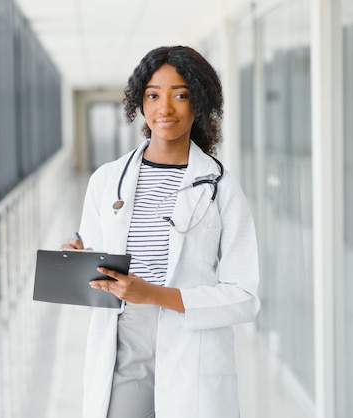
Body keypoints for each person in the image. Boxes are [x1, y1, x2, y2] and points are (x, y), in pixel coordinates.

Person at [62, 46, 260, 418]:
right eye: (153, 95)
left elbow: (244, 296)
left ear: (199, 104)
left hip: (191, 338)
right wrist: (77, 258)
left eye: (180, 95)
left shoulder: (221, 187)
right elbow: (94, 266)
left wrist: (152, 294)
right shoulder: (107, 181)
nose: (164, 109)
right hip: (124, 344)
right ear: (140, 102)